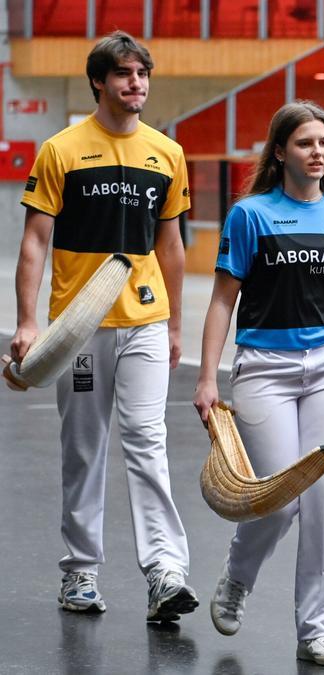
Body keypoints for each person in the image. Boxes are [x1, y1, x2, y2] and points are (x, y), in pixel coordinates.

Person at [10, 31, 197, 622]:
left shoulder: (166, 154)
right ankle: (80, 575)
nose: (134, 83)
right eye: (123, 74)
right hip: (79, 330)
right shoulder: (61, 150)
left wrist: (174, 327)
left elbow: (172, 247)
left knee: (148, 443)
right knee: (84, 451)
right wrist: (26, 321)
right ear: (99, 81)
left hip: (145, 320)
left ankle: (166, 574)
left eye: (142, 74)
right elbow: (35, 243)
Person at [192, 101, 324, 667]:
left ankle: (316, 628)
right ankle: (237, 578)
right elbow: (223, 300)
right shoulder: (250, 216)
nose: (317, 152)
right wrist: (205, 377)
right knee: (276, 501)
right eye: (304, 143)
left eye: (323, 142)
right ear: (279, 152)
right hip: (263, 368)